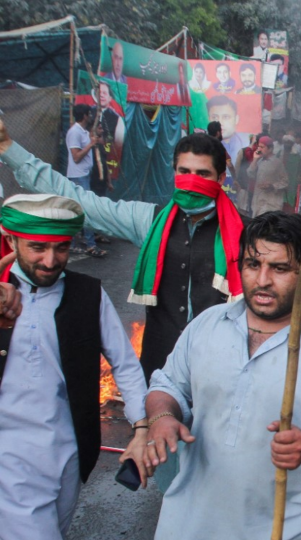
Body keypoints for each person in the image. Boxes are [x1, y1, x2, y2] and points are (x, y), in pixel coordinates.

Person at [0, 122, 301, 382]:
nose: (191, 180)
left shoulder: (247, 232)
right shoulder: (148, 221)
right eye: (184, 171)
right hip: (161, 369)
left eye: (202, 173)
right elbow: (81, 201)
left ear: (220, 177)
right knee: (170, 474)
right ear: (173, 172)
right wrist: (8, 147)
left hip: (226, 371)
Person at [141, 211, 301, 539]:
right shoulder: (208, 324)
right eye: (252, 265)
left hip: (294, 527)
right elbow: (167, 385)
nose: (262, 280)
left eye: (280, 269)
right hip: (192, 521)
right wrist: (162, 416)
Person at [0, 194, 148, 538]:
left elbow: (125, 363)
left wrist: (142, 428)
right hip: (11, 456)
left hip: (70, 453)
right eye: (38, 247)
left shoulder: (88, 294)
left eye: (62, 248)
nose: (51, 260)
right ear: (11, 241)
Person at [64, 104, 106, 258]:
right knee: (86, 209)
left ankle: (76, 243)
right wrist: (90, 144)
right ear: (84, 115)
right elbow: (76, 157)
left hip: (84, 174)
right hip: (78, 176)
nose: (90, 117)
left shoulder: (83, 131)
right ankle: (90, 244)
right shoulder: (74, 132)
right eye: (89, 114)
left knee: (79, 210)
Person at [206, 95, 247, 181]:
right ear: (218, 133)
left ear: (236, 119)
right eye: (214, 117)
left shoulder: (246, 140)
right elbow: (229, 165)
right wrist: (235, 178)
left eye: (226, 117)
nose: (221, 122)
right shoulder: (219, 148)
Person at [249, 136, 288, 216]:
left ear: (270, 149)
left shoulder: (277, 163)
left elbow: (285, 181)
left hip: (271, 204)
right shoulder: (259, 161)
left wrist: (272, 186)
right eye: (258, 146)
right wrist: (255, 160)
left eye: (262, 147)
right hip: (258, 202)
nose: (259, 149)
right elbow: (250, 174)